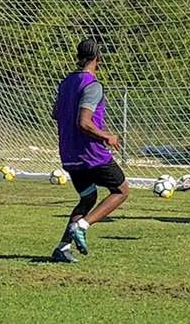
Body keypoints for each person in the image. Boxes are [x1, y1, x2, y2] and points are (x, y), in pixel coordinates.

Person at [50, 39, 130, 263]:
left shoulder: (66, 83)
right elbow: (84, 123)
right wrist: (107, 136)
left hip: (69, 153)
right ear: (98, 59)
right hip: (91, 153)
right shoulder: (92, 85)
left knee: (88, 197)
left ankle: (63, 247)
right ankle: (82, 226)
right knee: (121, 190)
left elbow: (55, 113)